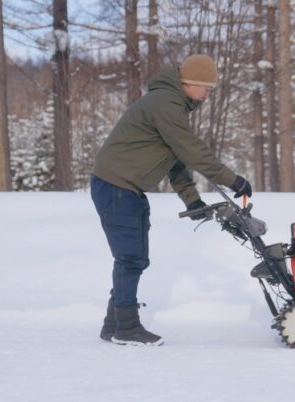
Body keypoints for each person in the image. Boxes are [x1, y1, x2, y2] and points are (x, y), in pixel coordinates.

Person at [90, 54, 252, 346]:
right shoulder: (166, 103)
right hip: (116, 186)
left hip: (125, 188)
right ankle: (126, 328)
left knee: (134, 257)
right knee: (130, 258)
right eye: (207, 87)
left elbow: (176, 160)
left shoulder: (171, 104)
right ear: (190, 83)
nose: (208, 93)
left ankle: (113, 323)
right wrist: (234, 180)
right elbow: (192, 151)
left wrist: (192, 200)